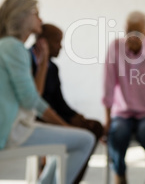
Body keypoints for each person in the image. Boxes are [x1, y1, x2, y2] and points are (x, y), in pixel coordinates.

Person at [0, 0, 95, 184]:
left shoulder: (8, 46)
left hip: (15, 126)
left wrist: (43, 64)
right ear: (22, 17)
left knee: (74, 139)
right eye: (36, 14)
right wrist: (64, 126)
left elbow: (33, 97)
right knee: (85, 140)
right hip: (11, 131)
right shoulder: (14, 47)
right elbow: (31, 100)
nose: (40, 20)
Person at [102, 11, 145, 184]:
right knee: (117, 133)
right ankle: (120, 175)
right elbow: (108, 82)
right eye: (129, 31)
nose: (132, 36)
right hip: (121, 112)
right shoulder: (115, 47)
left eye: (137, 32)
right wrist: (107, 119)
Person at [31, 23, 104, 183]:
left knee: (94, 127)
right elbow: (34, 102)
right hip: (37, 119)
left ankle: (56, 179)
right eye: (57, 42)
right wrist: (64, 125)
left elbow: (59, 101)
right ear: (43, 42)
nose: (61, 47)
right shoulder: (29, 61)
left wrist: (75, 117)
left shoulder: (53, 67)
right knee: (82, 138)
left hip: (52, 115)